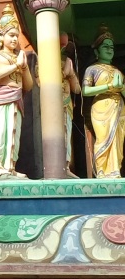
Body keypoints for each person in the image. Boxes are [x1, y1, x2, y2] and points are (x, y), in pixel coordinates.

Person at [0, 5, 33, 179]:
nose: (15, 40)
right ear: (1, 36)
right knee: (0, 132)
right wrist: (15, 67)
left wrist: (24, 68)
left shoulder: (19, 57)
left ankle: (10, 167)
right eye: (11, 35)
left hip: (16, 99)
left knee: (14, 134)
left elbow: (29, 86)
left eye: (17, 36)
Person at [82, 26, 125, 178]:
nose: (109, 49)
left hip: (119, 108)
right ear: (96, 51)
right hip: (101, 107)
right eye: (105, 46)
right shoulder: (92, 69)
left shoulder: (117, 71)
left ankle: (114, 170)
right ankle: (101, 170)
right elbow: (85, 91)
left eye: (111, 47)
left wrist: (120, 88)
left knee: (117, 141)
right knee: (103, 138)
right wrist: (109, 86)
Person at [60, 34, 81, 177]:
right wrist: (63, 73)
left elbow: (77, 89)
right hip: (52, 106)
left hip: (66, 105)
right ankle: (56, 167)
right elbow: (40, 83)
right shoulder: (43, 61)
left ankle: (66, 166)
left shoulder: (67, 62)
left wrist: (71, 73)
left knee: (67, 135)